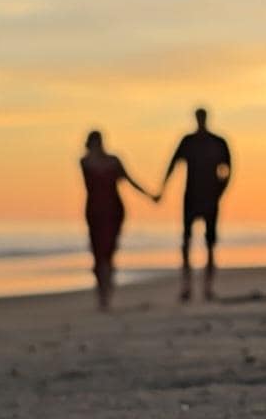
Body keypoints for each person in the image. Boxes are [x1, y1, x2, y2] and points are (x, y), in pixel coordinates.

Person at [157, 107, 232, 301]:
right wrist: (162, 189)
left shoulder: (217, 143)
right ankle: (187, 287)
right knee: (186, 243)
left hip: (210, 198)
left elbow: (227, 170)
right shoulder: (188, 142)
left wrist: (219, 191)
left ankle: (207, 287)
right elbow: (173, 165)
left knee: (210, 244)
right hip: (191, 197)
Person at [79, 131, 154, 311]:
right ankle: (102, 292)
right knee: (98, 253)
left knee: (108, 252)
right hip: (95, 212)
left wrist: (149, 195)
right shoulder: (85, 162)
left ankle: (107, 291)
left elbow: (129, 180)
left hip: (113, 211)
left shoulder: (113, 161)